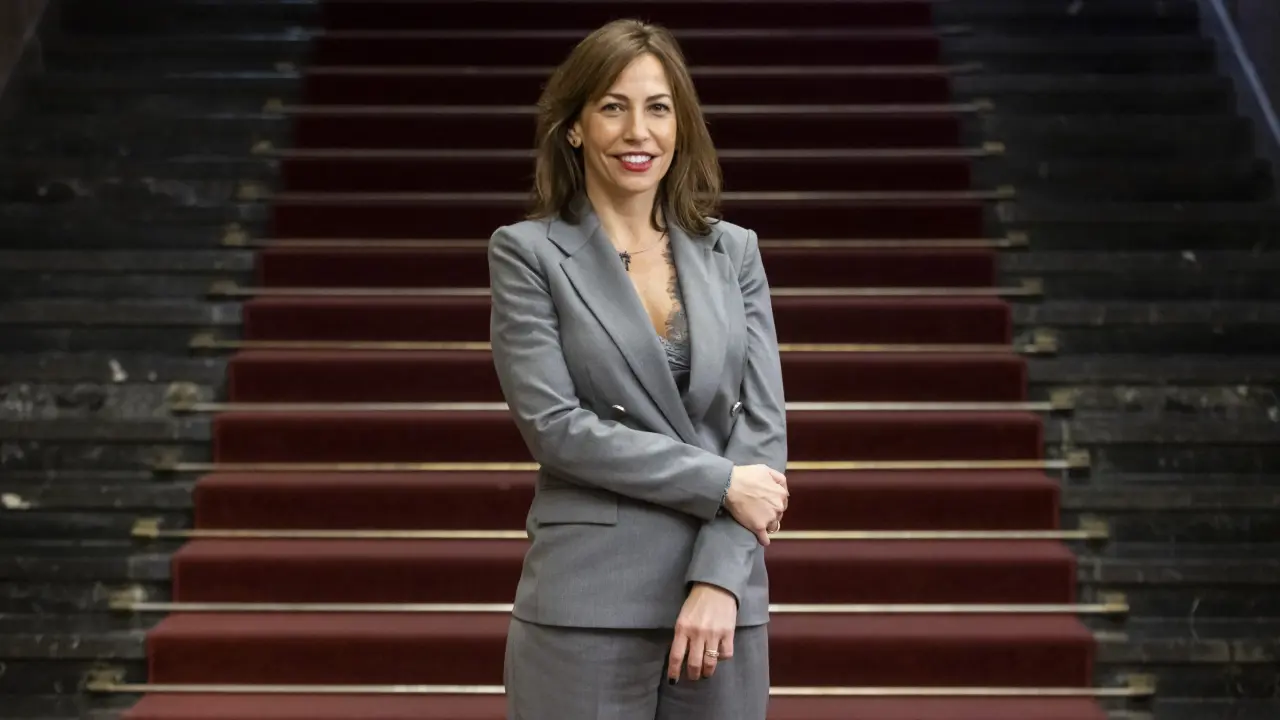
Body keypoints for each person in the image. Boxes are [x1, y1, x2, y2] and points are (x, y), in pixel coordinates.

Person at [487, 17, 789, 720]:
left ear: (680, 125)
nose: (637, 132)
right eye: (612, 108)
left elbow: (762, 430)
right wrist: (721, 483)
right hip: (588, 602)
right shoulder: (527, 253)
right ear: (574, 127)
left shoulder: (735, 251)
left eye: (657, 108)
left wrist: (720, 580)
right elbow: (556, 428)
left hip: (722, 604)